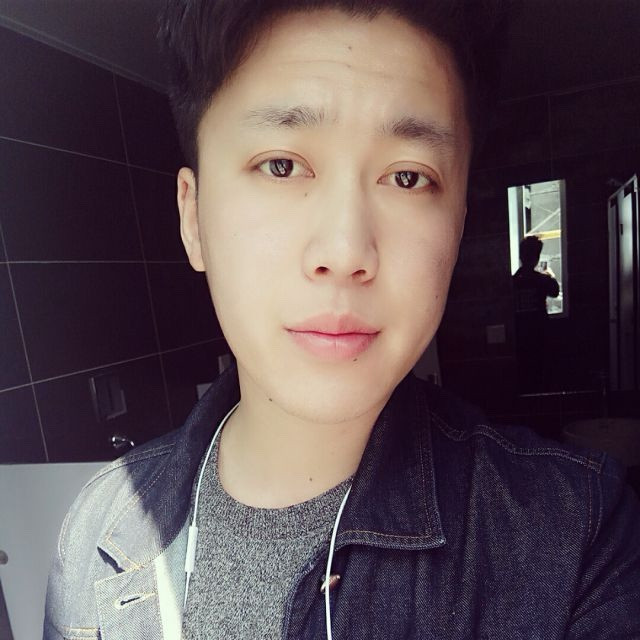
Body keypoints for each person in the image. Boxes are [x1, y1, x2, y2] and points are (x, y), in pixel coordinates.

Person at [43, 1, 640, 638]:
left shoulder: (575, 536)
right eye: (281, 165)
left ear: (459, 227)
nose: (346, 250)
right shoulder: (97, 535)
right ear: (193, 219)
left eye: (407, 177)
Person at [512, 235, 560, 391]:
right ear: (536, 258)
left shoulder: (513, 282)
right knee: (541, 376)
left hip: (519, 335)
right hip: (540, 333)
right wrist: (550, 275)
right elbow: (555, 291)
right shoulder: (542, 280)